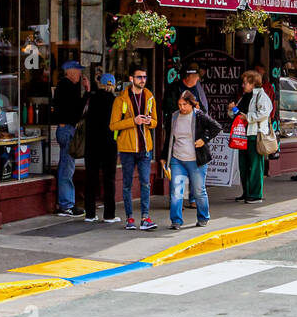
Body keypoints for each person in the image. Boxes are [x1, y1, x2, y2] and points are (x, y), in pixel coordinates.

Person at [162, 91, 223, 229]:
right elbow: (169, 138)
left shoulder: (199, 116)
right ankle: (176, 221)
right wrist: (163, 157)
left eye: (185, 104)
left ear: (191, 104)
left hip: (196, 160)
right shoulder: (174, 116)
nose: (182, 107)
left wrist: (204, 139)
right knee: (176, 191)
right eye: (179, 104)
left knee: (198, 191)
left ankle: (203, 217)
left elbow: (217, 127)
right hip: (177, 159)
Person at [111, 65, 158, 230]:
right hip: (127, 149)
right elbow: (113, 125)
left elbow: (155, 122)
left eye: (144, 77)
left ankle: (145, 218)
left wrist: (148, 122)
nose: (143, 80)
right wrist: (134, 121)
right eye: (139, 77)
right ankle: (129, 218)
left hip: (145, 148)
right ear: (131, 79)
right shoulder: (121, 99)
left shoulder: (150, 97)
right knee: (127, 184)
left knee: (146, 183)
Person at [51, 61, 89, 215]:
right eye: (78, 71)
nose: (80, 75)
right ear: (70, 71)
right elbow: (77, 111)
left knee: (65, 165)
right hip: (67, 129)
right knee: (67, 167)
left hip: (64, 128)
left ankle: (66, 202)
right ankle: (66, 204)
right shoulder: (68, 87)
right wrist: (87, 91)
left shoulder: (62, 86)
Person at [231, 69, 273, 205]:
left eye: (245, 83)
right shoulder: (245, 96)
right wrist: (232, 110)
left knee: (255, 166)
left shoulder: (262, 96)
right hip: (242, 135)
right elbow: (237, 113)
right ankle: (247, 192)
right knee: (243, 165)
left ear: (252, 83)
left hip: (255, 134)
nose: (243, 85)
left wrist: (247, 117)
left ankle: (255, 194)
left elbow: (265, 113)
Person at [83, 74, 120, 223]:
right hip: (109, 144)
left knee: (90, 178)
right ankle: (109, 215)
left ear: (100, 84)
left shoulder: (91, 99)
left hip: (91, 144)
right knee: (109, 179)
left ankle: (90, 214)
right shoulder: (115, 101)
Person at [253, 62, 278, 176]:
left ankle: (263, 167)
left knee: (263, 143)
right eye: (257, 71)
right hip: (251, 127)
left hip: (262, 122)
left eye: (260, 71)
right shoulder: (248, 89)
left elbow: (272, 102)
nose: (259, 73)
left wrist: (271, 118)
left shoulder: (267, 87)